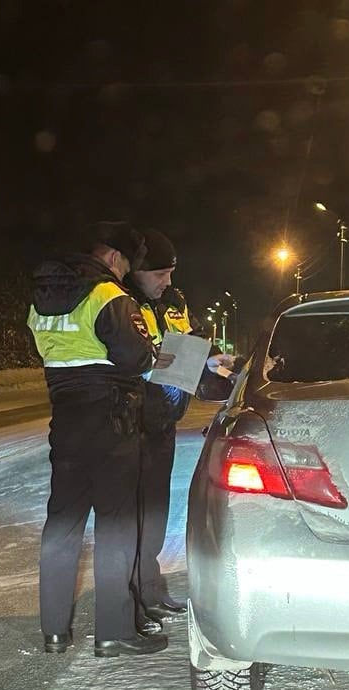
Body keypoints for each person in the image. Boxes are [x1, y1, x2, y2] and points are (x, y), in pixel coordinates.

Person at [27, 221, 173, 658]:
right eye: (127, 264)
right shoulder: (109, 296)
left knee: (62, 525)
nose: (127, 273)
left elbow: (46, 351)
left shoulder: (42, 301)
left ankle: (54, 631)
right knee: (116, 527)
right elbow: (136, 358)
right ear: (113, 257)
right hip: (112, 423)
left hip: (66, 425)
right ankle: (113, 632)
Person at [127, 230, 234, 625]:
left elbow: (183, 347)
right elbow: (138, 360)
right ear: (137, 271)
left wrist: (213, 361)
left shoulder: (173, 302)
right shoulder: (124, 302)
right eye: (160, 273)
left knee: (156, 508)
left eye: (171, 273)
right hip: (132, 421)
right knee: (132, 513)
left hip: (164, 421)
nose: (167, 282)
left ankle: (151, 587)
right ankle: (132, 595)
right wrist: (180, 359)